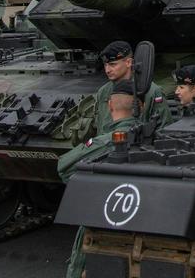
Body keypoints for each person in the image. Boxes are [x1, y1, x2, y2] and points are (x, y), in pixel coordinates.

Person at [59, 80, 139, 278]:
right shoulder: (145, 130)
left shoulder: (108, 140)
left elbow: (64, 168)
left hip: (103, 216)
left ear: (110, 105)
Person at [93, 40, 168, 135]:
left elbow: (164, 128)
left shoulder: (151, 91)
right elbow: (100, 127)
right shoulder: (103, 91)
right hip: (106, 146)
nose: (107, 70)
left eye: (113, 64)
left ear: (128, 62)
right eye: (105, 65)